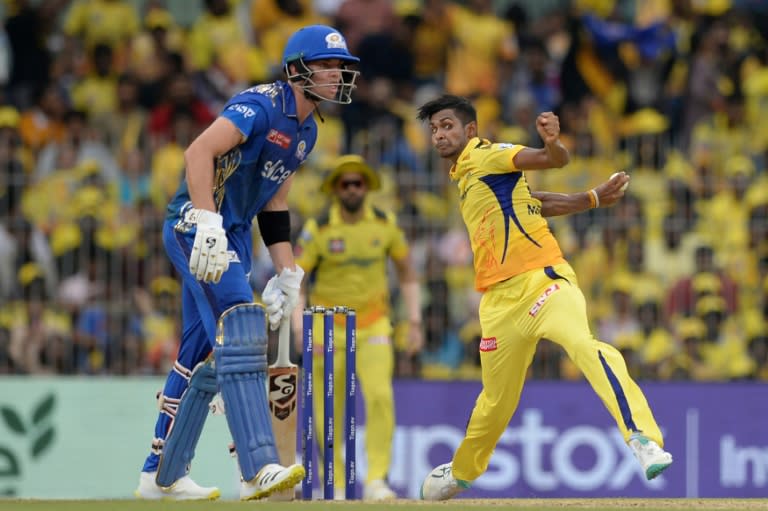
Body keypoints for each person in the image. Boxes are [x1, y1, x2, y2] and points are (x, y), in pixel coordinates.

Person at [134, 25, 361, 501]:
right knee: (241, 329)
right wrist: (208, 223)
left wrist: (287, 272)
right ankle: (258, 468)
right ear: (298, 69)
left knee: (198, 354)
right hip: (195, 225)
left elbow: (274, 203)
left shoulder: (308, 131)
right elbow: (199, 151)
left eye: (340, 66)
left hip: (232, 235)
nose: (338, 73)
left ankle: (161, 475)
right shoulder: (259, 106)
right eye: (326, 65)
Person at [415, 94, 673, 501]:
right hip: (498, 303)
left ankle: (642, 439)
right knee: (495, 402)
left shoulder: (488, 154)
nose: (438, 134)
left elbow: (553, 161)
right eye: (433, 129)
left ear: (470, 130)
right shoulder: (466, 175)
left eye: (447, 126)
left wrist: (552, 144)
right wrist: (590, 199)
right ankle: (462, 472)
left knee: (584, 346)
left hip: (544, 281)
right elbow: (534, 203)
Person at [292, 154, 424, 500]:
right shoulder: (318, 228)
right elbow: (298, 281)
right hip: (325, 324)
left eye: (358, 182)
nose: (352, 188)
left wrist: (414, 321)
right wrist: (297, 327)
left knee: (380, 396)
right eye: (345, 183)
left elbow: (408, 273)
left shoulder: (384, 223)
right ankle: (333, 482)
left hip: (372, 323)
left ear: (366, 187)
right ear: (336, 188)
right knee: (328, 404)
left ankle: (376, 480)